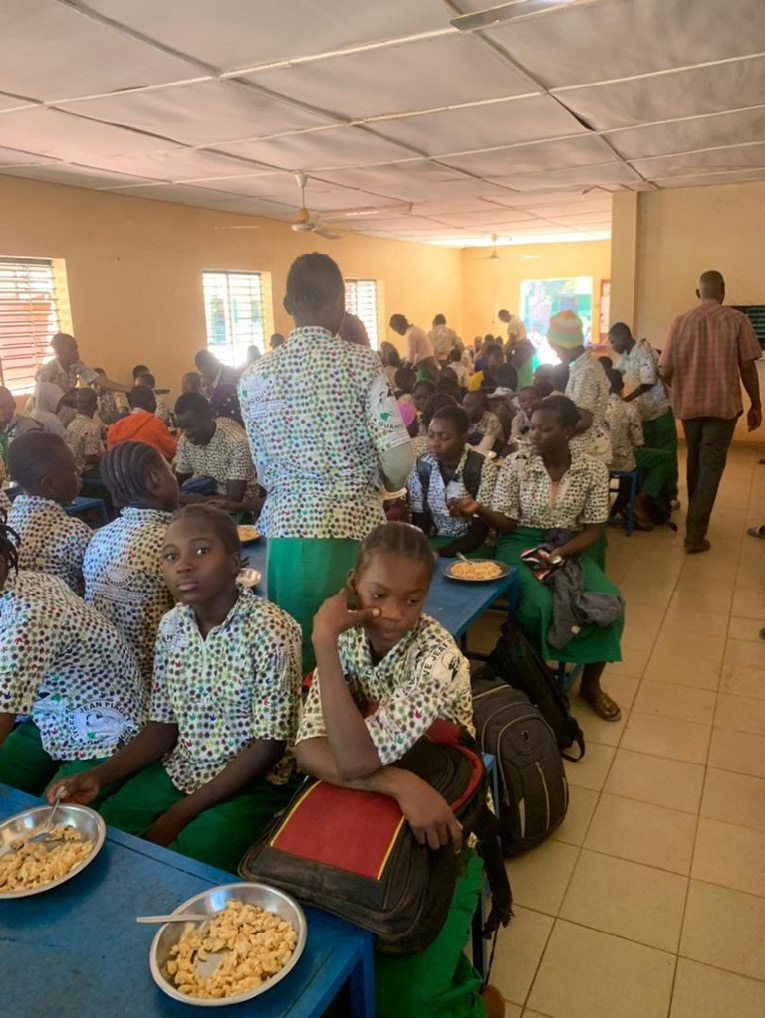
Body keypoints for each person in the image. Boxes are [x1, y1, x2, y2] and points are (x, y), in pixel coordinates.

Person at [295, 522, 502, 1018]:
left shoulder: (438, 658)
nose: (393, 613)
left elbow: (351, 759)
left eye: (413, 600)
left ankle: (472, 1000)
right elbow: (307, 750)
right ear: (353, 585)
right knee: (319, 955)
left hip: (445, 818)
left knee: (398, 999)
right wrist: (398, 783)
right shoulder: (345, 639)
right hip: (378, 800)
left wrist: (321, 640)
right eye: (378, 595)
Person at [49, 506, 302, 874]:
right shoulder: (172, 626)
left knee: (190, 858)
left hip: (255, 782)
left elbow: (268, 747)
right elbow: (163, 726)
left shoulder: (271, 630)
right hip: (183, 766)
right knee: (106, 829)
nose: (183, 565)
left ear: (235, 562)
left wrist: (179, 814)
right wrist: (99, 775)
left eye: (201, 551)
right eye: (171, 556)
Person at [239, 253, 413, 673]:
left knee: (297, 652)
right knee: (350, 657)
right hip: (351, 531)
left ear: (287, 304)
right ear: (340, 302)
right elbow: (398, 456)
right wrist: (389, 485)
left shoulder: (253, 377)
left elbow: (262, 469)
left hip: (286, 537)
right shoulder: (361, 363)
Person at [452, 396, 622, 722]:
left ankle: (591, 685)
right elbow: (507, 524)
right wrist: (480, 510)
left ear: (568, 430)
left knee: (607, 601)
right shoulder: (517, 464)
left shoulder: (592, 470)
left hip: (569, 545)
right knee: (536, 607)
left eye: (546, 429)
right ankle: (537, 681)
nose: (535, 435)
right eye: (532, 427)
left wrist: (561, 554)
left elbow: (593, 529)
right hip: (520, 542)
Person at [0, 519, 145, 799]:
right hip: (50, 715)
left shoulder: (28, 619)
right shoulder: (22, 579)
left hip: (105, 730)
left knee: (52, 817)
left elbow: (4, 711)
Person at [659, 271, 762, 553]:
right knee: (711, 466)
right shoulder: (737, 320)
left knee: (695, 462)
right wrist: (756, 403)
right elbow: (747, 367)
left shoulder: (680, 321)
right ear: (723, 290)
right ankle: (695, 533)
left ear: (698, 293)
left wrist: (680, 390)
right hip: (723, 407)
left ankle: (695, 520)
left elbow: (665, 370)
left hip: (689, 407)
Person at [83, 443, 179, 688]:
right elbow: (198, 615)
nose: (174, 476)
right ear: (155, 478)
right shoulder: (174, 543)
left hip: (110, 677)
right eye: (170, 470)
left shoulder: (98, 537)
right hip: (161, 679)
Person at [409, 405, 498, 558]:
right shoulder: (423, 466)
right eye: (431, 435)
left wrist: (439, 553)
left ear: (463, 438)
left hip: (474, 544)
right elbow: (419, 518)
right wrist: (423, 550)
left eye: (444, 437)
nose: (434, 443)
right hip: (435, 539)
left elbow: (479, 532)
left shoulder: (482, 467)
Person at [7, 432, 90, 594]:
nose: (79, 470)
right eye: (72, 468)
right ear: (49, 484)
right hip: (66, 606)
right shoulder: (74, 533)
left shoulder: (9, 523)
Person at [608, 322, 678, 503]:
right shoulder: (627, 355)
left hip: (659, 412)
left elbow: (648, 382)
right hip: (643, 414)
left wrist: (624, 400)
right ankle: (653, 497)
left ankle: (671, 496)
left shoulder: (643, 351)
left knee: (667, 453)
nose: (612, 346)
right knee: (650, 455)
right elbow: (615, 374)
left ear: (624, 337)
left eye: (613, 341)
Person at [173, 393, 256, 512]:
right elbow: (179, 480)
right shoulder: (186, 441)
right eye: (182, 427)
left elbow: (233, 499)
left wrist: (179, 497)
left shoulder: (236, 443)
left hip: (236, 508)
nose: (186, 433)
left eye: (191, 426)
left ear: (208, 416)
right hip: (201, 492)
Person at [547, 311, 612, 463]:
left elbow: (584, 420)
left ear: (566, 345)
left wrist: (555, 433)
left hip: (586, 449)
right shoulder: (589, 365)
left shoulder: (585, 372)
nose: (556, 355)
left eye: (556, 349)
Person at [34, 333, 126, 425]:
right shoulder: (46, 373)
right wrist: (81, 398)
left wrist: (129, 389)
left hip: (67, 411)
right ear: (60, 352)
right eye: (72, 349)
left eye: (76, 348)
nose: (77, 352)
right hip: (48, 417)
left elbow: (98, 380)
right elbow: (46, 400)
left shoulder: (76, 364)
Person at [106, 387, 177, 459]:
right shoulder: (156, 423)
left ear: (130, 404)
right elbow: (172, 451)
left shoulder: (117, 424)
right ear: (152, 403)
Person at [0, 386, 40, 479]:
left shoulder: (29, 429)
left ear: (14, 405)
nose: (1, 411)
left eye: (6, 406)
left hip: (25, 481)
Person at [194, 349, 242, 424]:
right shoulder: (205, 380)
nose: (203, 373)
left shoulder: (230, 375)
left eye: (204, 369)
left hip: (233, 420)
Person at [389, 313, 439, 382]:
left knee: (424, 385)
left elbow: (410, 359)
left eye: (396, 330)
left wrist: (402, 373)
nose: (397, 333)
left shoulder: (410, 334)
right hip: (430, 362)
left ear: (399, 326)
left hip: (425, 365)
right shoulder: (415, 329)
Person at [66, 388, 104, 474]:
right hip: (86, 472)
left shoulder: (71, 424)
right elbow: (90, 458)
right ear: (96, 406)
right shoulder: (92, 428)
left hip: (73, 470)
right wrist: (107, 459)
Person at [463, 390, 503, 455]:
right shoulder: (462, 418)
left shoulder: (492, 420)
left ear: (481, 409)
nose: (463, 409)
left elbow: (483, 449)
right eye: (463, 405)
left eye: (468, 406)